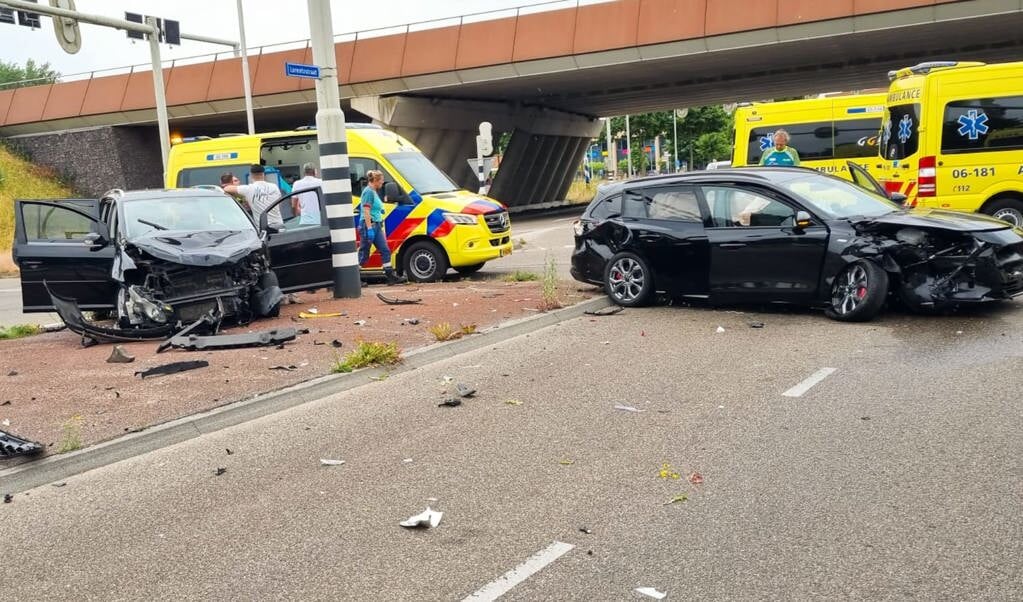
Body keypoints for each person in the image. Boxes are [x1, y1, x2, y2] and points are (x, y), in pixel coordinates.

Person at [359, 170, 405, 285]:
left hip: (377, 225)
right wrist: (369, 228)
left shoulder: (374, 192)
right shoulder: (368, 192)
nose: (382, 183)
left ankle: (390, 277)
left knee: (385, 250)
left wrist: (380, 210)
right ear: (375, 181)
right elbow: (366, 210)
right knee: (364, 253)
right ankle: (354, 278)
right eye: (381, 181)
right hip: (369, 225)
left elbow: (374, 207)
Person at [223, 164, 284, 231]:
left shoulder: (248, 189)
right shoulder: (274, 187)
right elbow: (279, 203)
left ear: (251, 175)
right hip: (279, 226)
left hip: (265, 230)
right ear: (263, 174)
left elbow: (226, 189)